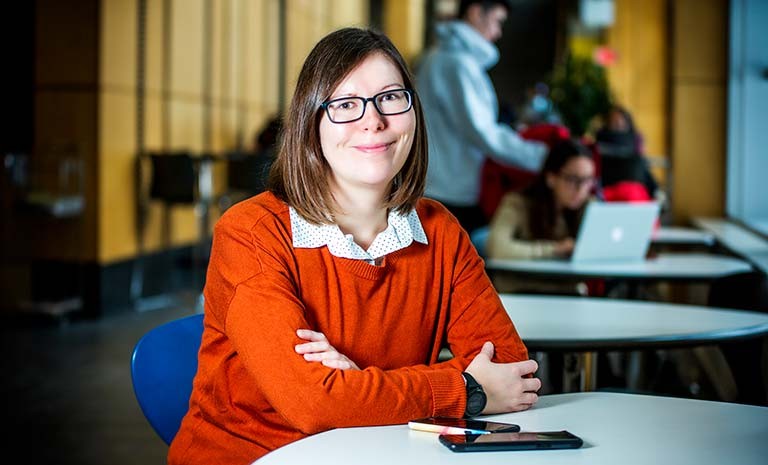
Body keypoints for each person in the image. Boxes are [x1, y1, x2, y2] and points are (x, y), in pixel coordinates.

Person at [168, 27, 541, 465]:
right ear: (312, 122)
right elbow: (313, 404)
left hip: (378, 453)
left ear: (413, 112)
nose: (373, 120)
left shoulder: (439, 230)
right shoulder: (252, 232)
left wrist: (357, 383)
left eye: (390, 97)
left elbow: (513, 372)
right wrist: (465, 389)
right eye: (346, 104)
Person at [416, 0, 547, 234]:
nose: (498, 32)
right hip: (450, 192)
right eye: (497, 21)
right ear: (476, 13)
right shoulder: (456, 63)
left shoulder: (441, 57)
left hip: (441, 186)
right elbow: (481, 132)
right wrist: (542, 157)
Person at [486, 138, 596, 294]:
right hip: (521, 291)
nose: (581, 189)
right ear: (551, 178)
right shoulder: (518, 203)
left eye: (587, 180)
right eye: (572, 179)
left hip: (567, 293)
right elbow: (496, 248)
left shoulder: (590, 207)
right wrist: (555, 249)